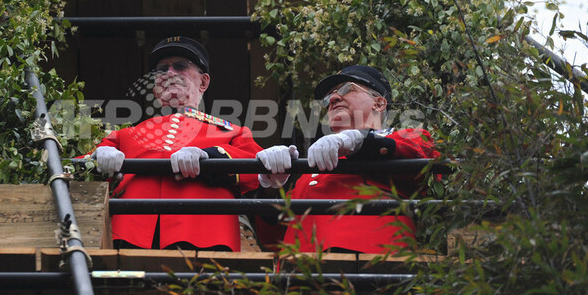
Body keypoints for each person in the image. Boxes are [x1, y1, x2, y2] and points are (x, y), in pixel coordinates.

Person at [82, 36, 262, 251]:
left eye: (181, 66)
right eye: (161, 70)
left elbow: (256, 167)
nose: (169, 73)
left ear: (203, 82)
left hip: (205, 239)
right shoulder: (126, 135)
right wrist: (100, 155)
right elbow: (78, 168)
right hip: (130, 239)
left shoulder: (231, 132)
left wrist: (210, 156)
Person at [256, 65, 439, 253]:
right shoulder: (309, 174)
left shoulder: (407, 137)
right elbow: (273, 236)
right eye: (328, 98)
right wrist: (272, 186)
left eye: (346, 89)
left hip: (368, 262)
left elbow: (423, 159)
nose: (332, 99)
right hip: (301, 266)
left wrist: (358, 140)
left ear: (378, 104)